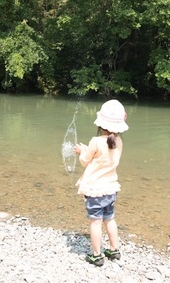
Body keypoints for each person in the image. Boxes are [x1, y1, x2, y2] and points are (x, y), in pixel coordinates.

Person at [74, 99, 129, 266]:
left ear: (101, 124)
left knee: (95, 222)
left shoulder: (95, 141)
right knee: (110, 219)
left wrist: (81, 150)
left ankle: (96, 255)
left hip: (95, 190)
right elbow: (105, 157)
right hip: (111, 188)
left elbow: (85, 161)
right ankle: (114, 249)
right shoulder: (118, 142)